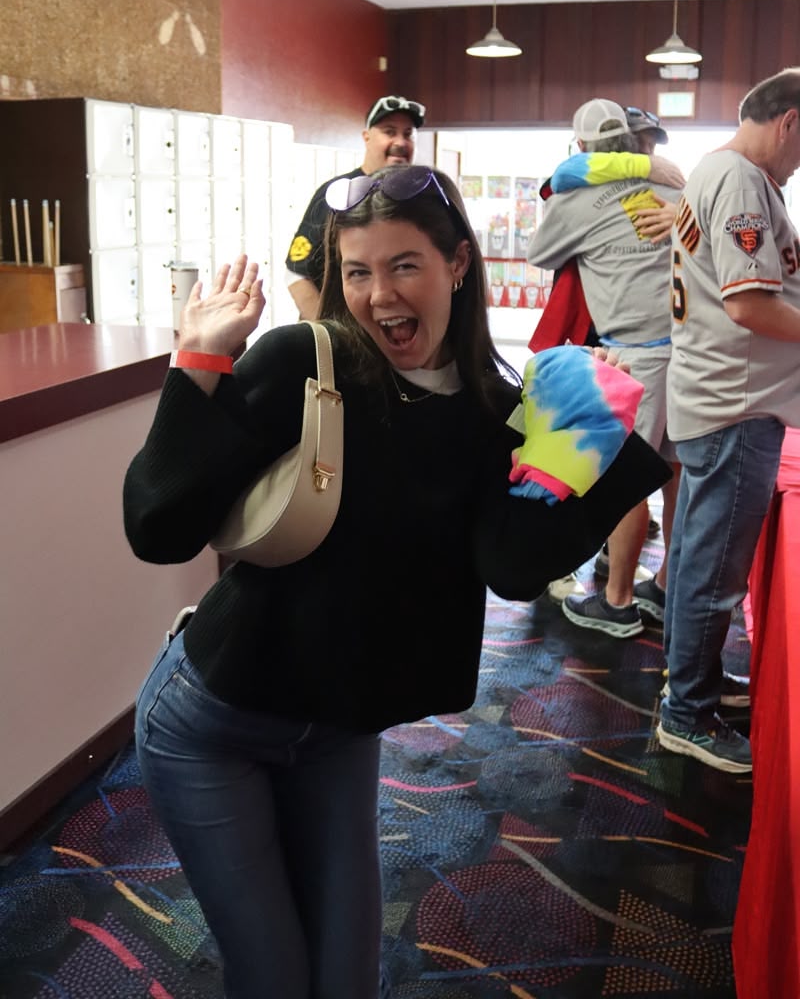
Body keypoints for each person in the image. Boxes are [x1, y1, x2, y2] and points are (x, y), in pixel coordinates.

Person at [124, 163, 669, 998]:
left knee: (346, 977)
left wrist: (587, 442)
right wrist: (198, 359)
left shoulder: (493, 406)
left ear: (458, 264)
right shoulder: (307, 363)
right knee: (275, 975)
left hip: (342, 725)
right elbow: (158, 527)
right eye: (357, 271)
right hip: (214, 718)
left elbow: (513, 567)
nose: (379, 295)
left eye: (404, 265)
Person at [658, 67, 800, 773]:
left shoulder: (719, 171)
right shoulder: (741, 180)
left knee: (695, 559)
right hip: (735, 406)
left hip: (717, 397)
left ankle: (690, 686)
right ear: (790, 122)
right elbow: (749, 304)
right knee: (713, 573)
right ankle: (688, 713)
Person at [528, 98, 682, 637]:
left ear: (581, 147)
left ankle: (616, 602)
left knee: (626, 479)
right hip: (685, 349)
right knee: (675, 473)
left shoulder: (575, 199)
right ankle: (666, 585)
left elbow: (541, 253)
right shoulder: (671, 186)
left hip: (631, 357)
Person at [285, 95, 425, 319]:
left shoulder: (422, 198)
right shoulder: (337, 194)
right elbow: (296, 273)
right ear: (366, 137)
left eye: (408, 134)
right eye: (389, 132)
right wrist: (328, 331)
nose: (400, 142)